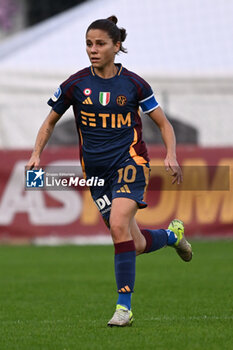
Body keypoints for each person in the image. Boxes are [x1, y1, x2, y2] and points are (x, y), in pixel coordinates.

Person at [27, 15, 192, 327]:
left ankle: (124, 308)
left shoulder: (133, 84)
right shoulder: (75, 85)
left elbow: (163, 123)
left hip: (131, 164)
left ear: (117, 46)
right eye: (89, 44)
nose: (93, 49)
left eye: (100, 44)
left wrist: (170, 153)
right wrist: (36, 154)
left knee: (118, 225)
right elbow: (49, 122)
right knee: (135, 242)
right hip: (96, 173)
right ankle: (173, 236)